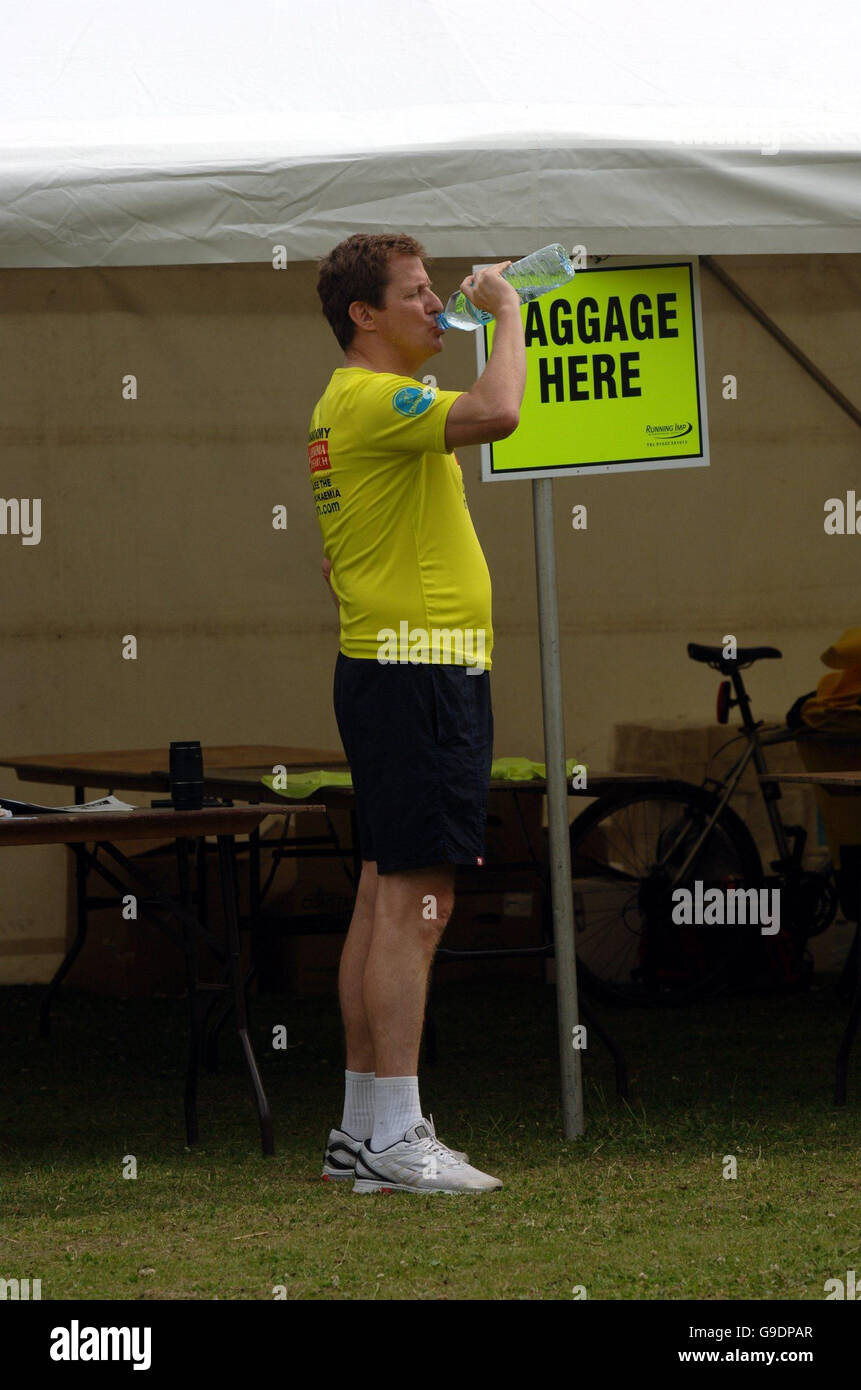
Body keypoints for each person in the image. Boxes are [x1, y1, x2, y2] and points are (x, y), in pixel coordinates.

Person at [308, 232, 526, 1193]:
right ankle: (397, 1137)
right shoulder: (374, 396)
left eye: (440, 292)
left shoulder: (344, 406)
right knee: (418, 905)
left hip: (392, 669)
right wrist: (509, 317)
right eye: (418, 294)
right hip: (421, 671)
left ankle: (364, 1130)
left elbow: (333, 560)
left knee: (383, 892)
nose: (439, 308)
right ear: (365, 315)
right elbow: (500, 411)